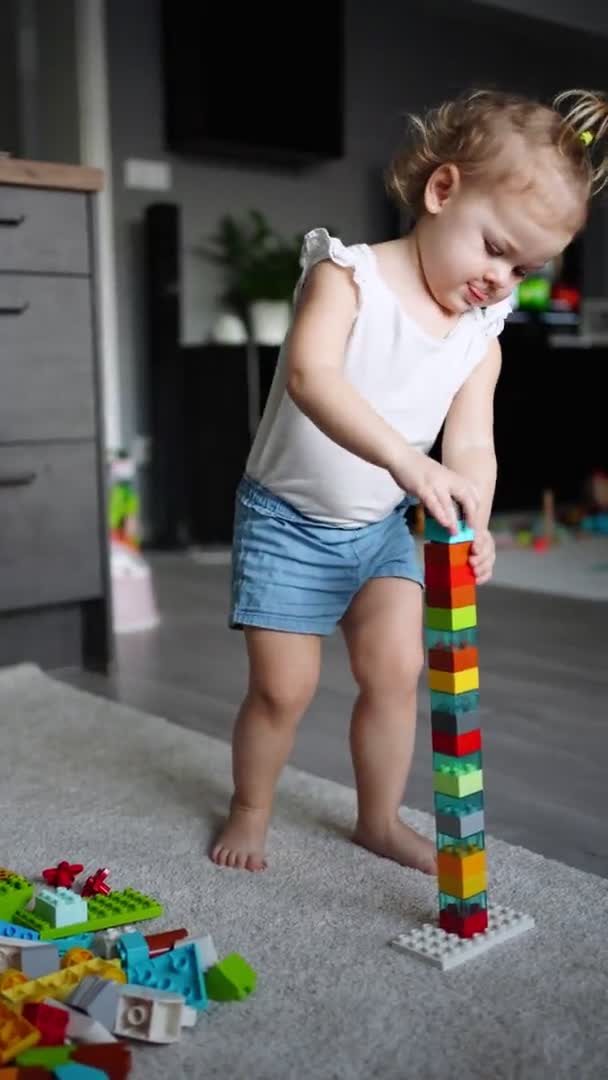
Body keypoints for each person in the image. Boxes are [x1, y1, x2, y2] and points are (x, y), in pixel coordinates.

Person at [211, 87, 608, 873]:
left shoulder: (479, 339)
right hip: (287, 522)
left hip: (378, 531)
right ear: (442, 190)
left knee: (395, 672)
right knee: (283, 690)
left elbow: (471, 446)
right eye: (495, 248)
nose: (502, 280)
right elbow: (313, 380)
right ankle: (250, 806)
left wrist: (472, 520)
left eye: (524, 268)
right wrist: (405, 461)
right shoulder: (347, 277)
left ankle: (379, 818)